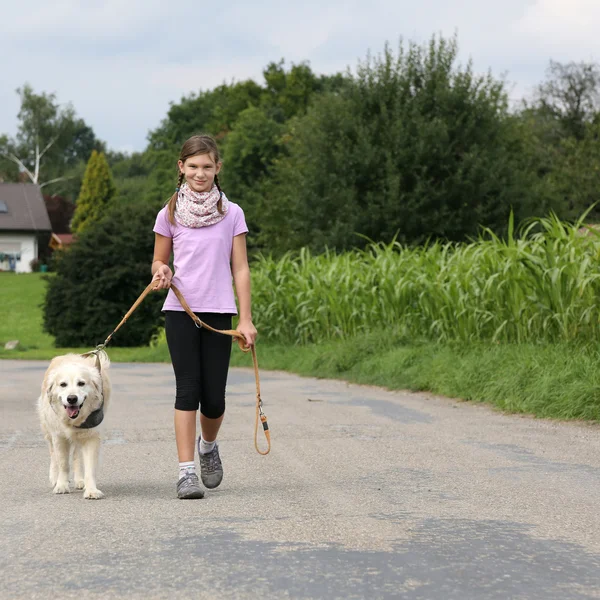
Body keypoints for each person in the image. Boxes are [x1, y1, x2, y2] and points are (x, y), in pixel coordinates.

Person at [151, 134, 257, 499]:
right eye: (193, 166)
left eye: (207, 167)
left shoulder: (232, 213)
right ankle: (185, 473)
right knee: (188, 390)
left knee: (214, 399)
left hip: (219, 312)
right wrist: (161, 272)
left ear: (217, 168)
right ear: (181, 168)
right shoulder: (168, 213)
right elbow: (159, 260)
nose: (200, 173)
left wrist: (246, 319)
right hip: (180, 310)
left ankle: (208, 447)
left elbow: (240, 268)